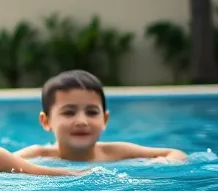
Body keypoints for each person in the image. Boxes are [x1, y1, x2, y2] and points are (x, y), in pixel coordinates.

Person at [16, 70, 187, 163]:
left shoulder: (117, 152)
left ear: (104, 120)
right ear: (46, 121)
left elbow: (175, 153)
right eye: (69, 112)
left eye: (92, 112)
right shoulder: (37, 156)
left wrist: (163, 164)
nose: (82, 121)